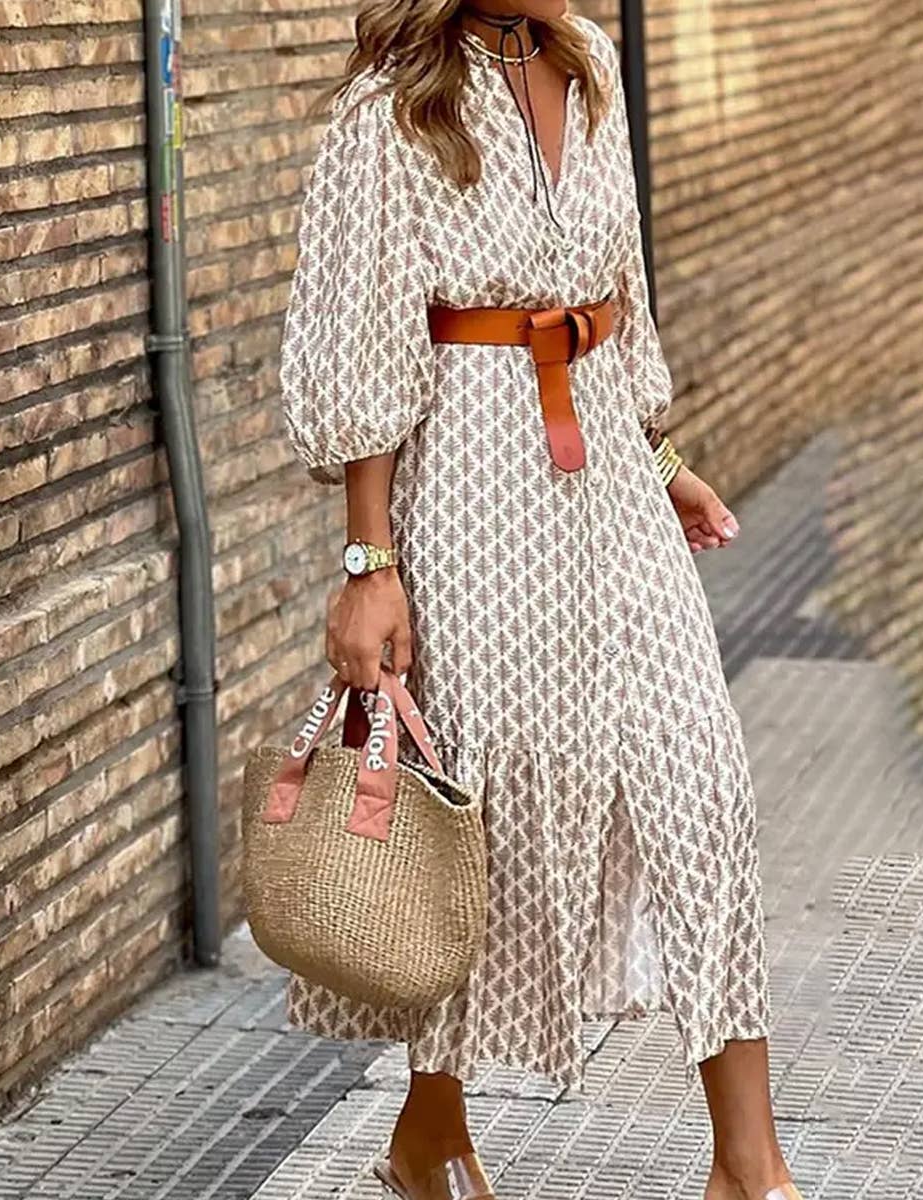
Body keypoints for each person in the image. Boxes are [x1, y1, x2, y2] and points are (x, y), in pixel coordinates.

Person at [278, 1, 805, 1198]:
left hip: (609, 487)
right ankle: (429, 1133)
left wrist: (663, 465)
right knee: (483, 808)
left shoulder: (597, 68)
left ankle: (750, 1168)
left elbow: (616, 299)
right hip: (468, 488)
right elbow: (363, 343)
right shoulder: (392, 108)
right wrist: (368, 566)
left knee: (703, 781)